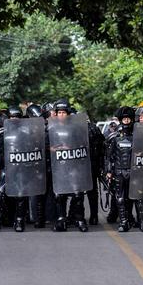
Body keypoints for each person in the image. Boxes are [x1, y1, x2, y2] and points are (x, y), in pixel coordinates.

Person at [0, 106, 28, 232]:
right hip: (7, 167)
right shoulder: (3, 132)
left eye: (17, 117)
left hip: (21, 167)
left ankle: (19, 221)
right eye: (12, 117)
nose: (14, 119)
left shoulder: (26, 132)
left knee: (20, 194)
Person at [51, 99, 88, 232]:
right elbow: (44, 145)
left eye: (63, 112)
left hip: (73, 166)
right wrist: (54, 149)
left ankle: (79, 219)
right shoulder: (51, 129)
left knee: (77, 194)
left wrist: (71, 147)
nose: (61, 115)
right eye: (59, 112)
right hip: (59, 166)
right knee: (59, 194)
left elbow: (83, 145)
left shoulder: (76, 129)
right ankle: (61, 219)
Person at [105, 106, 136, 232]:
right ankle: (123, 221)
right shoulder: (114, 137)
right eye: (124, 119)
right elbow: (109, 156)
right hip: (118, 171)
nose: (127, 121)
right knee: (120, 197)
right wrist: (108, 171)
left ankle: (129, 218)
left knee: (131, 197)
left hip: (133, 171)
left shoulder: (137, 136)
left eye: (128, 118)